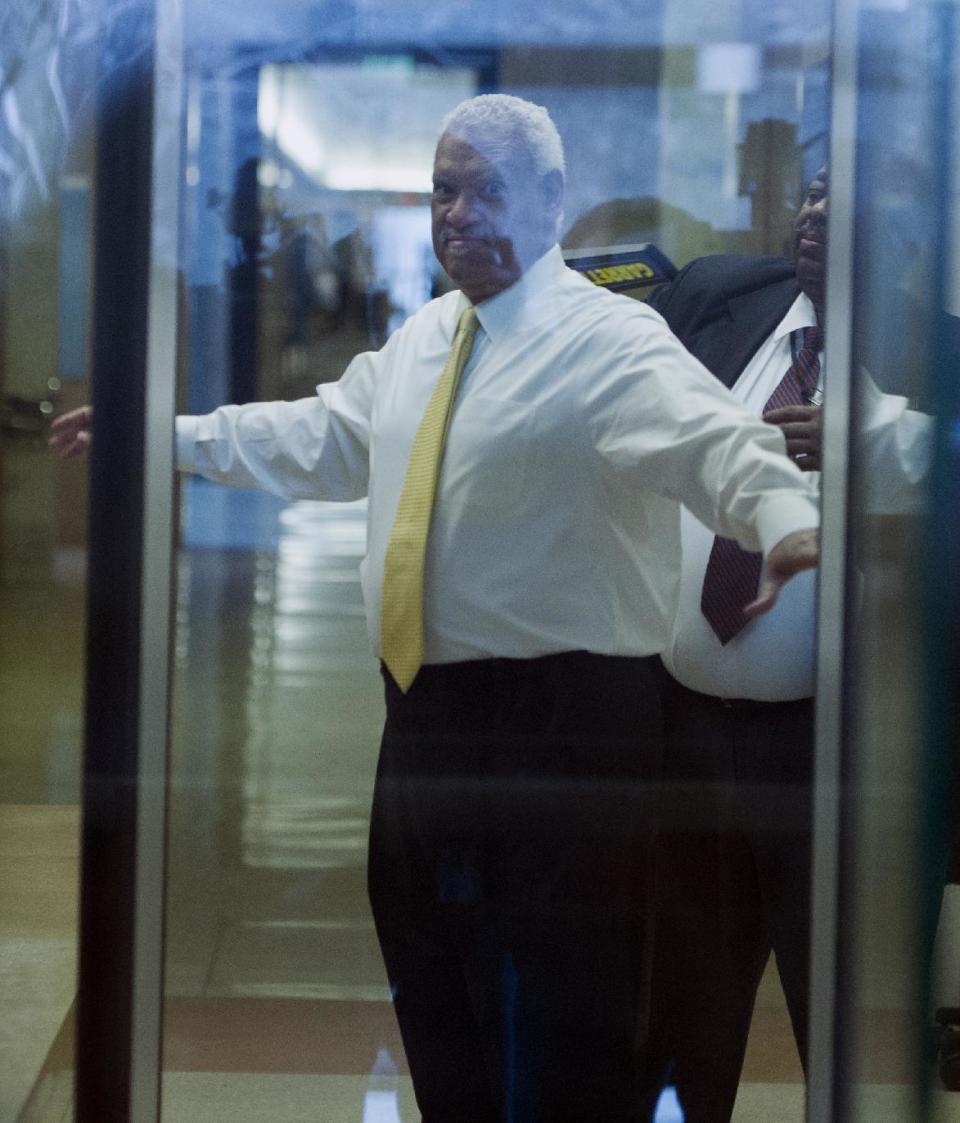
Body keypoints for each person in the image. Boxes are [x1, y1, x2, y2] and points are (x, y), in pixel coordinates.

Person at [51, 95, 821, 1123]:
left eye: (486, 190)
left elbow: (716, 443)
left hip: (570, 730)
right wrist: (166, 434)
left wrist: (785, 517)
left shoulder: (610, 341)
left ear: (551, 201)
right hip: (426, 720)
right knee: (438, 988)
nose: (456, 213)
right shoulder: (428, 336)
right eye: (443, 190)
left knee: (567, 1022)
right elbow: (323, 434)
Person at [638, 164, 931, 1122]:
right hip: (683, 736)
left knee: (847, 1029)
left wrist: (879, 446)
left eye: (849, 196)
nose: (815, 213)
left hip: (842, 764)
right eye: (809, 191)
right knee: (678, 1017)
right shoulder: (722, 294)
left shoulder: (940, 356)